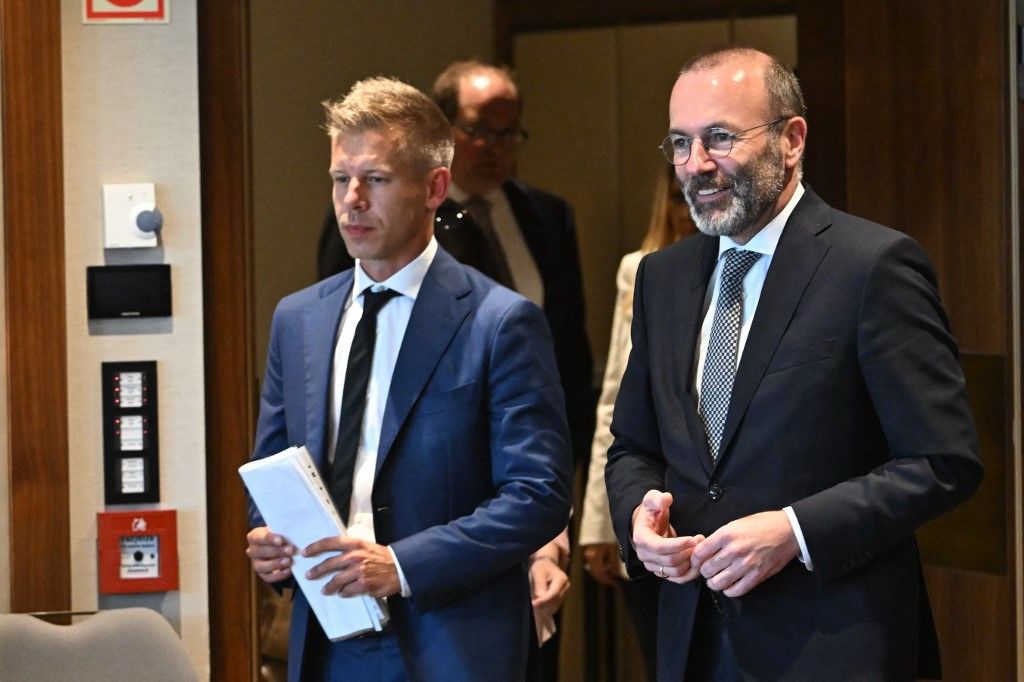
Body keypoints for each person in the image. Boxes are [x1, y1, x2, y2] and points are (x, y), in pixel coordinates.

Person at [605, 47, 983, 681]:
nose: (696, 166)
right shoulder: (660, 279)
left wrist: (795, 531)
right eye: (679, 143)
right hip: (692, 643)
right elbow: (633, 446)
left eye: (720, 138)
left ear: (792, 139)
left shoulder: (873, 267)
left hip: (832, 645)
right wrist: (637, 519)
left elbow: (944, 461)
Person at [245, 76, 572, 682]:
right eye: (341, 179)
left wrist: (401, 563)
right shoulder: (298, 320)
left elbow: (538, 495)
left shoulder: (500, 322)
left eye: (376, 180)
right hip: (326, 639)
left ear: (434, 188)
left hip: (449, 641)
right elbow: (273, 469)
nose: (352, 201)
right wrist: (268, 539)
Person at [579, 162, 695, 679]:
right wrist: (600, 523)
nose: (686, 207)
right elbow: (616, 402)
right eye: (675, 195)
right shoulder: (642, 268)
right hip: (652, 498)